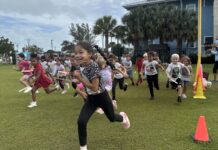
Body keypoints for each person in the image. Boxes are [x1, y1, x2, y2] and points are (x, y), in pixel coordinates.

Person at [73, 42, 130, 150]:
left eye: (81, 52)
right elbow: (86, 80)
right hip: (91, 99)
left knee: (112, 118)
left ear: (89, 54)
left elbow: (94, 87)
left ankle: (123, 118)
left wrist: (80, 78)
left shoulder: (93, 66)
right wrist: (77, 78)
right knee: (81, 121)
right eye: (76, 53)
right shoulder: (81, 65)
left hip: (102, 97)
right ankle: (83, 148)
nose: (77, 55)